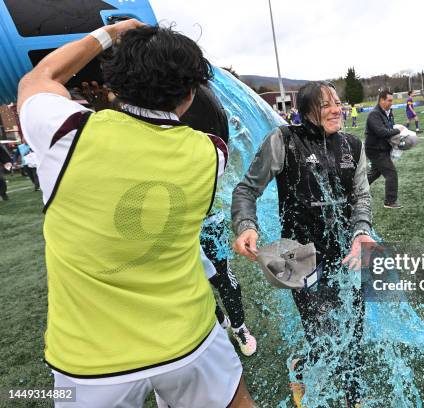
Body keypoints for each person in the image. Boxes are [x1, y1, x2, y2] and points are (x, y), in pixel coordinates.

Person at [17, 21, 253, 407]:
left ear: (113, 82)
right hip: (189, 337)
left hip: (90, 361)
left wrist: (110, 34)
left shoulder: (66, 132)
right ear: (191, 93)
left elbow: (38, 78)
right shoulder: (212, 154)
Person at [232, 81, 375, 408]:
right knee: (323, 336)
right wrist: (246, 225)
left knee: (352, 331)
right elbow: (245, 190)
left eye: (337, 102)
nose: (336, 109)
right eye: (326, 105)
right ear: (307, 110)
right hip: (300, 260)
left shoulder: (352, 145)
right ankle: (304, 368)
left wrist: (361, 232)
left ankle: (351, 396)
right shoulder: (284, 140)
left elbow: (362, 198)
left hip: (347, 256)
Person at [181, 84, 258, 357]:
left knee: (223, 275)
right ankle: (220, 321)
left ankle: (239, 327)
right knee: (196, 280)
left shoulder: (208, 139)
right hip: (180, 225)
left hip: (210, 220)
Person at [365, 90, 403, 209]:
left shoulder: (386, 112)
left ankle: (355, 189)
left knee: (375, 173)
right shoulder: (374, 114)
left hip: (381, 148)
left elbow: (389, 128)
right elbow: (381, 132)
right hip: (375, 150)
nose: (391, 102)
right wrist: (398, 130)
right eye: (389, 100)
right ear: (382, 100)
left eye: (392, 100)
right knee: (391, 174)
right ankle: (390, 202)